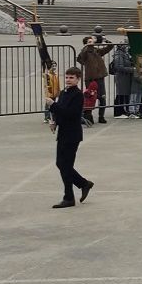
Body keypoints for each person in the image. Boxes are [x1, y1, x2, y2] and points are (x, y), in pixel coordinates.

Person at [48, 67, 94, 208]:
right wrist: (54, 121)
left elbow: (71, 114)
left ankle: (69, 197)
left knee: (65, 166)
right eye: (67, 77)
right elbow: (60, 111)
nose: (68, 80)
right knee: (60, 164)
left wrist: (53, 105)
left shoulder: (78, 95)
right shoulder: (63, 93)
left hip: (72, 135)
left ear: (78, 79)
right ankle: (83, 183)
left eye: (71, 78)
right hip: (63, 133)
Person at [77, 33, 114, 124]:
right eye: (89, 41)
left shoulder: (96, 50)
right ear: (85, 43)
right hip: (90, 79)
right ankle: (88, 116)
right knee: (90, 98)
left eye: (92, 41)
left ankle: (101, 116)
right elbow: (80, 59)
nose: (92, 42)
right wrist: (88, 46)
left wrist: (106, 41)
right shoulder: (84, 52)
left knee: (102, 98)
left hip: (100, 77)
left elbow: (109, 48)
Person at [110, 42, 136, 119]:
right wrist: (132, 70)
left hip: (125, 77)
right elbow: (119, 67)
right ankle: (118, 112)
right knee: (120, 94)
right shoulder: (119, 54)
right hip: (121, 77)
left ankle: (123, 110)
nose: (127, 47)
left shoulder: (124, 53)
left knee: (124, 94)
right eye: (125, 46)